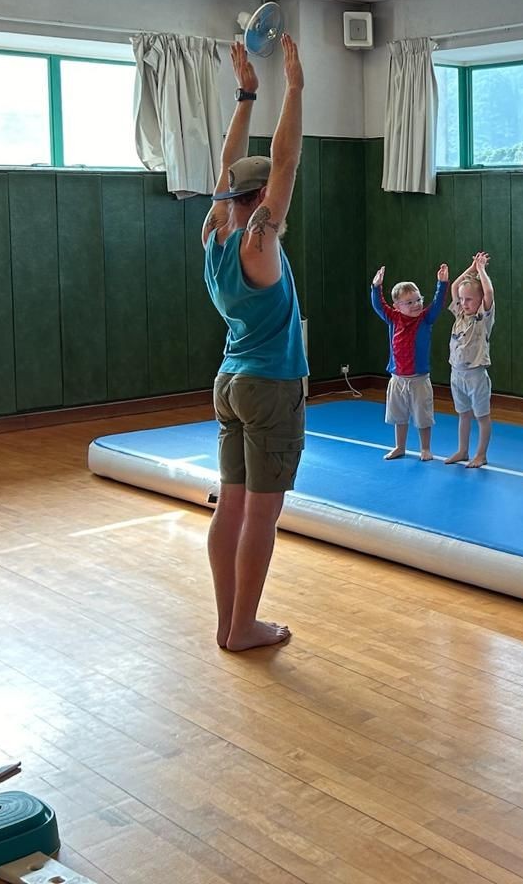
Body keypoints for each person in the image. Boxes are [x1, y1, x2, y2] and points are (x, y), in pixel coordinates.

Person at [201, 34, 306, 652]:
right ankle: (243, 627)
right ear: (262, 199)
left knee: (231, 508)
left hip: (230, 383)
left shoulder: (216, 236)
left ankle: (229, 623)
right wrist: (294, 88)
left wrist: (246, 96)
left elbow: (227, 167)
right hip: (268, 386)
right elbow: (285, 162)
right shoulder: (259, 244)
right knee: (259, 516)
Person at [370, 262, 450, 460]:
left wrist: (442, 283)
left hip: (419, 379)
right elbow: (378, 305)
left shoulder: (425, 319)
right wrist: (376, 287)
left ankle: (425, 448)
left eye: (418, 300)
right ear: (397, 306)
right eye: (410, 302)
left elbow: (438, 304)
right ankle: (400, 446)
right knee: (399, 416)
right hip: (397, 377)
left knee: (423, 416)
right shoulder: (393, 318)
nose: (416, 305)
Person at [445, 251, 495, 468]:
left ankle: (481, 454)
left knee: (481, 416)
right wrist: (472, 267)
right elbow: (455, 286)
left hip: (476, 375)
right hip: (456, 374)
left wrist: (482, 270)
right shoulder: (459, 315)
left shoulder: (482, 317)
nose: (464, 303)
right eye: (462, 300)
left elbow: (489, 292)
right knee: (463, 414)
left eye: (469, 299)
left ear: (479, 300)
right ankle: (462, 450)